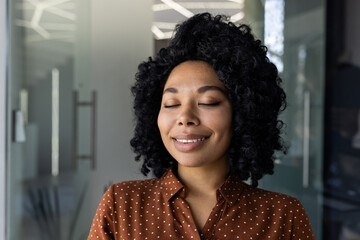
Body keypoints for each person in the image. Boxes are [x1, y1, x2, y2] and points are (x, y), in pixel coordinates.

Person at [88, 13, 315, 240]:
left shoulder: (284, 217)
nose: (185, 117)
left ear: (244, 113)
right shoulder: (121, 204)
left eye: (209, 102)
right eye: (171, 104)